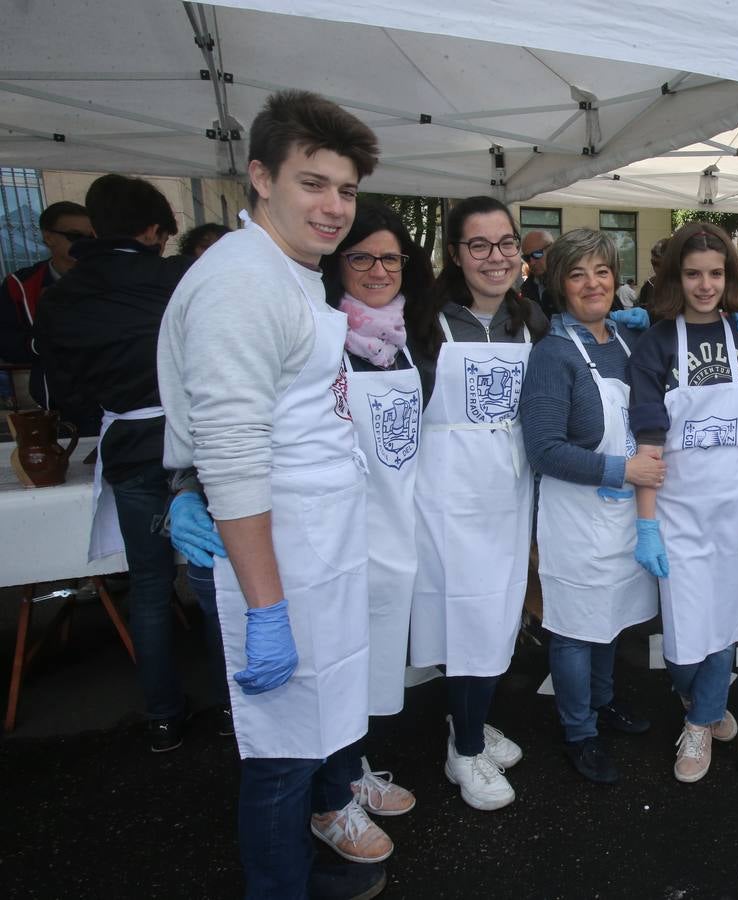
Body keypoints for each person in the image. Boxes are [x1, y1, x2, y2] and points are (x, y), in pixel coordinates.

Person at [157, 90, 386, 899]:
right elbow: (231, 449)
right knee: (281, 754)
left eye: (346, 190)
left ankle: (304, 862)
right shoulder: (242, 283)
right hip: (274, 556)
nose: (333, 207)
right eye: (312, 184)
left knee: (313, 733)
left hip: (314, 544)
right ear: (260, 177)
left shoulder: (293, 271)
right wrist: (265, 609)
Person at [33, 175, 231, 754]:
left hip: (125, 443)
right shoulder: (179, 279)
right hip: (194, 443)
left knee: (147, 584)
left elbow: (62, 389)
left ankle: (163, 715)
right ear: (153, 230)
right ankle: (229, 706)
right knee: (216, 579)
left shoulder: (64, 294)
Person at [405, 196, 547, 811]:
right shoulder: (421, 323)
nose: (496, 257)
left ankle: (470, 718)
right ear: (454, 254)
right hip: (444, 497)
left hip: (508, 493)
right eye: (479, 246)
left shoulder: (531, 321)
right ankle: (463, 748)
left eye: (506, 243)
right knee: (462, 621)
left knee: (495, 619)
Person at [628, 221, 738, 784]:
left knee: (726, 621)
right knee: (684, 638)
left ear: (730, 276)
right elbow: (647, 438)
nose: (705, 285)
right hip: (679, 507)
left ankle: (700, 722)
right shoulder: (656, 344)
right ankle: (707, 704)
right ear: (675, 278)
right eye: (693, 274)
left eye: (716, 273)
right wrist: (647, 524)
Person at [520, 228, 663, 785]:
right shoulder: (555, 355)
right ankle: (579, 730)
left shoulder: (626, 343)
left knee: (613, 619)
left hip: (624, 514)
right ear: (558, 285)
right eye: (577, 274)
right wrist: (621, 470)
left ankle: (603, 702)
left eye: (602, 271)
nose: (593, 283)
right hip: (576, 518)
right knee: (576, 630)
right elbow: (544, 449)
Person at [315, 199, 432, 853]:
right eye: (362, 256)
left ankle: (353, 771)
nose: (378, 269)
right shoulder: (323, 338)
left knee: (369, 664)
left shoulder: (402, 338)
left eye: (390, 256)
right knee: (333, 668)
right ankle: (329, 803)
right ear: (339, 263)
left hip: (395, 528)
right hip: (339, 533)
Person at [1, 200, 99, 431]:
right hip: (55, 401)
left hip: (109, 395)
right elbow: (5, 338)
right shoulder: (21, 284)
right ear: (48, 237)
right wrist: (39, 344)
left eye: (91, 238)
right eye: (75, 236)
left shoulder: (110, 278)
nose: (85, 245)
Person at [519, 230, 556, 318]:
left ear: (553, 250)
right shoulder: (527, 288)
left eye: (537, 254)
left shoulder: (570, 284)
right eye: (526, 257)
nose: (531, 262)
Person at [636, 237, 669, 309]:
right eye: (653, 263)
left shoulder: (684, 285)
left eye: (658, 264)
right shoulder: (649, 285)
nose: (655, 269)